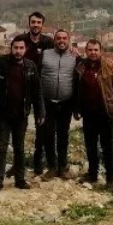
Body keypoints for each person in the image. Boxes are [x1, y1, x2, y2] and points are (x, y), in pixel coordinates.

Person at [0, 34, 45, 193]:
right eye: (16, 48)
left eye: (21, 48)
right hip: (3, 114)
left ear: (25, 49)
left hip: (21, 115)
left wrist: (40, 111)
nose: (18, 51)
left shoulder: (30, 67)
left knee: (19, 148)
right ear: (11, 48)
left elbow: (37, 91)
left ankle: (20, 180)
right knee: (1, 148)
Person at [73, 39, 113, 189]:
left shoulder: (109, 66)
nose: (93, 53)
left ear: (100, 51)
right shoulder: (81, 67)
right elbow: (77, 90)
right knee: (90, 146)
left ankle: (110, 179)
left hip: (105, 112)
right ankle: (92, 174)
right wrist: (76, 109)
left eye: (96, 50)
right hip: (88, 113)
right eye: (90, 50)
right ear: (86, 51)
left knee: (107, 146)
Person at [37, 28, 78, 178]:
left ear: (68, 40)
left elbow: (77, 80)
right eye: (58, 38)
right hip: (47, 103)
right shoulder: (45, 55)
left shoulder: (74, 57)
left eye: (64, 38)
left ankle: (62, 167)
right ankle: (52, 167)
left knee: (63, 135)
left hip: (66, 103)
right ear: (54, 40)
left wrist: (76, 106)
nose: (61, 41)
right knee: (48, 135)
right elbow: (37, 77)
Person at [20, 12, 54, 175]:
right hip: (23, 89)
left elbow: (60, 53)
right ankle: (17, 165)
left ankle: (38, 162)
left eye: (38, 22)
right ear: (29, 23)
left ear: (42, 25)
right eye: (33, 22)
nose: (35, 25)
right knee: (19, 127)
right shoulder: (21, 40)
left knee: (42, 126)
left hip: (42, 89)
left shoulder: (48, 42)